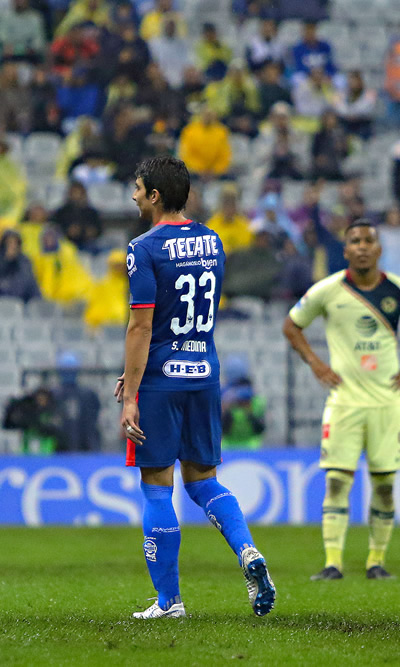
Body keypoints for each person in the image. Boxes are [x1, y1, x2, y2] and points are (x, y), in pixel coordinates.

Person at [115, 156, 275, 619]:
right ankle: (248, 552)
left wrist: (131, 395)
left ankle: (169, 603)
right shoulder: (212, 240)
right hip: (204, 372)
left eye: (138, 188)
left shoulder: (142, 248)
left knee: (157, 488)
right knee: (204, 480)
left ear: (155, 195)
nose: (134, 195)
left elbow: (142, 327)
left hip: (162, 381)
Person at [282, 220, 400, 581]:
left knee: (383, 484)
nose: (363, 246)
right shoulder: (328, 290)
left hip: (387, 401)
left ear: (379, 248)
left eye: (369, 240)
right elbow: (292, 325)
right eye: (355, 241)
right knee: (337, 481)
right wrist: (316, 364)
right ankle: (332, 563)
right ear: (346, 250)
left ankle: (376, 562)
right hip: (344, 402)